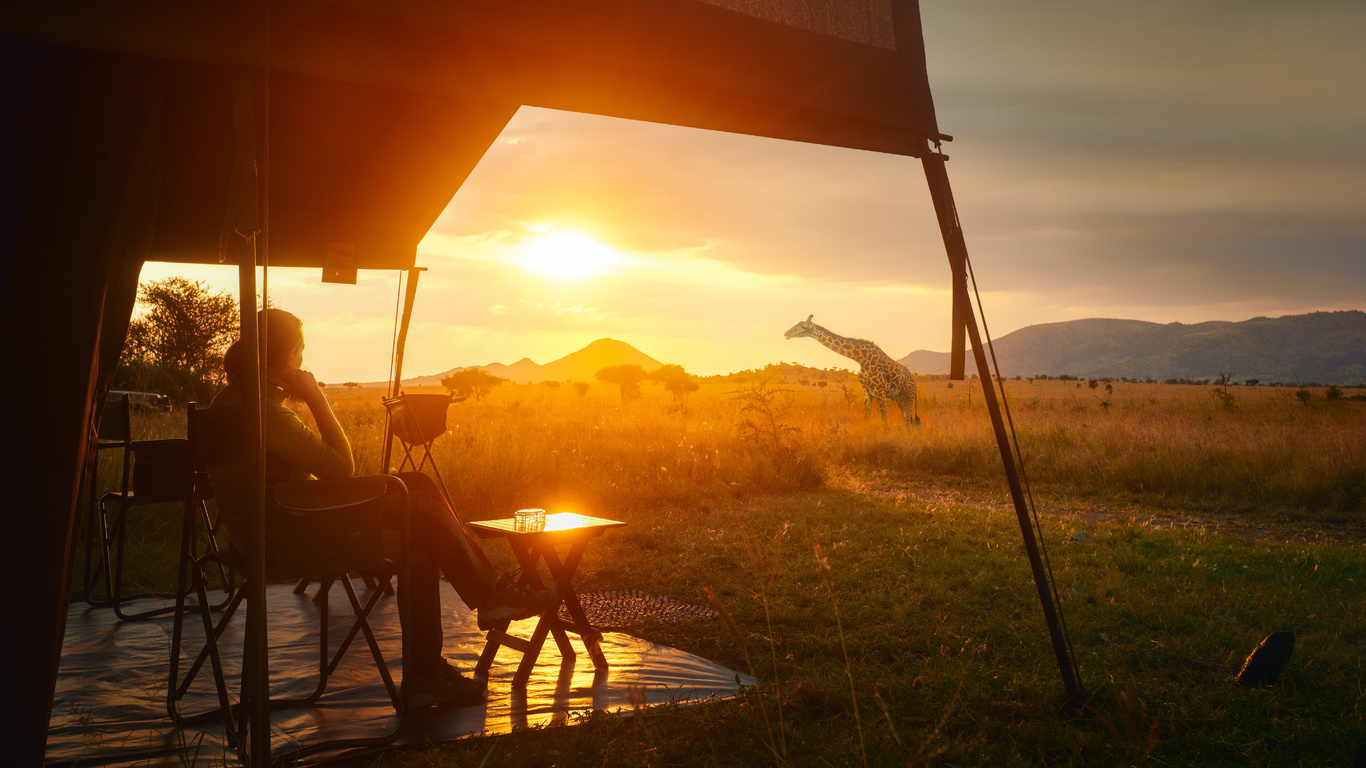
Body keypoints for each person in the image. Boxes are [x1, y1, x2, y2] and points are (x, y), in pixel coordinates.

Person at [212, 308, 556, 707]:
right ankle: (479, 610)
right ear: (288, 357)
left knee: (417, 531)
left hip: (262, 533)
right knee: (414, 492)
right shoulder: (265, 413)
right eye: (300, 350)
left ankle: (467, 625)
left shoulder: (228, 400)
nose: (303, 360)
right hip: (288, 540)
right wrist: (314, 395)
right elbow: (342, 469)